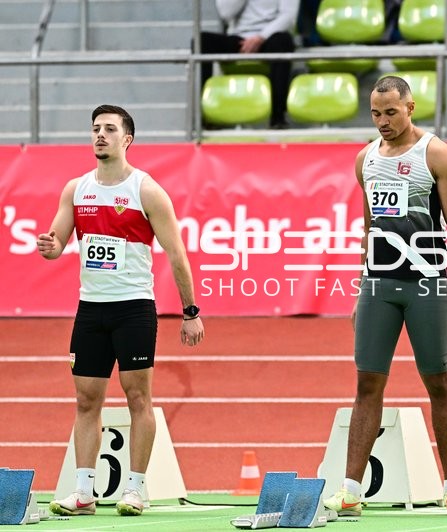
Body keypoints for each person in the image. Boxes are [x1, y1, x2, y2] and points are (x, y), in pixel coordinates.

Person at [322, 76, 447, 519]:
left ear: (410, 107)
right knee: (367, 385)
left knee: (439, 381)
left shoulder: (436, 154)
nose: (383, 121)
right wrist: (360, 286)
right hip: (379, 286)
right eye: (375, 114)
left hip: (427, 284)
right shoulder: (364, 160)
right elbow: (370, 226)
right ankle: (351, 490)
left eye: (391, 112)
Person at [39, 105, 205, 517]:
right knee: (86, 400)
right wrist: (51, 248)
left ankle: (135, 489)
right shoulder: (76, 189)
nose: (100, 135)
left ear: (127, 139)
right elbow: (58, 242)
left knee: (137, 397)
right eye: (95, 129)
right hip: (91, 310)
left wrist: (190, 310)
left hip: (133, 309)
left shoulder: (146, 190)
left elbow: (177, 254)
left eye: (109, 129)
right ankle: (83, 493)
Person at [199, 0, 299, 128]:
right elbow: (226, 13)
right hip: (238, 38)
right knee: (201, 42)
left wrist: (261, 37)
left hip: (270, 36)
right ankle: (204, 118)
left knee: (283, 41)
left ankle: (278, 118)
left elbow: (289, 17)